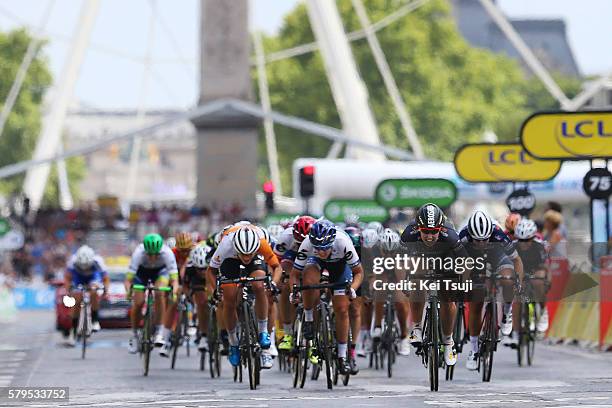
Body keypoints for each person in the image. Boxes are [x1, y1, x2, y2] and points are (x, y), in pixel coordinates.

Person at [290, 220, 364, 375]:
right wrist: (294, 291)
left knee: (342, 309)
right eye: (318, 247)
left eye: (324, 248)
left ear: (332, 241)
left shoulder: (343, 242)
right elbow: (295, 275)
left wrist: (352, 289)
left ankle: (343, 356)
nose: (322, 251)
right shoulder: (307, 245)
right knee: (309, 282)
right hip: (314, 263)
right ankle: (309, 319)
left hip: (340, 266)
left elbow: (358, 272)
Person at [206, 226, 282, 369]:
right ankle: (233, 343)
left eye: (249, 254)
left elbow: (277, 267)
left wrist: (273, 284)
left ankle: (263, 332)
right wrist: (216, 290)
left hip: (256, 258)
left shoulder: (261, 242)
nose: (246, 258)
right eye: (243, 255)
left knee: (259, 286)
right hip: (230, 261)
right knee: (229, 299)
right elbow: (211, 271)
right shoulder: (226, 245)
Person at [400, 203, 465, 367]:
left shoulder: (450, 235)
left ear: (440, 229)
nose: (429, 236)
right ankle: (416, 327)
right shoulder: (409, 234)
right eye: (425, 232)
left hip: (445, 259)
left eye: (433, 232)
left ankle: (448, 341)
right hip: (420, 258)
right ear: (418, 228)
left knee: (448, 297)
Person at [125, 234, 179, 354]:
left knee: (160, 293)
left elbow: (175, 280)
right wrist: (129, 292)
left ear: (160, 250)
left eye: (156, 255)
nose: (153, 258)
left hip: (160, 272)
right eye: (150, 254)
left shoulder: (167, 253)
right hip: (141, 273)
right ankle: (134, 334)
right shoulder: (138, 253)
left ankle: (159, 331)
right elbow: (128, 280)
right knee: (138, 302)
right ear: (145, 250)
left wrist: (174, 293)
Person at [273, 216, 316, 354]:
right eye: (298, 241)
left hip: (313, 257)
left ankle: (317, 334)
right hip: (291, 256)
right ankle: (287, 333)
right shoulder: (286, 237)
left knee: (316, 287)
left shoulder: (318, 236)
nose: (301, 244)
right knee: (286, 288)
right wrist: (276, 280)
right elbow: (275, 261)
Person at [371, 228, 411, 356]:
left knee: (400, 300)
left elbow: (403, 276)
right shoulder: (375, 251)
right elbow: (372, 274)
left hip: (397, 274)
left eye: (391, 252)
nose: (388, 255)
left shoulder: (402, 252)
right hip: (381, 273)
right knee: (379, 291)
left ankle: (404, 336)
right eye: (385, 252)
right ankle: (377, 325)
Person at [159, 231, 195, 357]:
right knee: (173, 302)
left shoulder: (194, 252)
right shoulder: (172, 254)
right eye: (182, 251)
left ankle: (192, 319)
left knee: (195, 294)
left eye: (187, 250)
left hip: (190, 277)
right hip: (174, 278)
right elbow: (165, 272)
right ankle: (166, 337)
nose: (185, 253)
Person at [64, 245, 109, 344]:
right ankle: (74, 330)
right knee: (77, 300)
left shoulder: (98, 261)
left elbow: (105, 278)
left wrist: (105, 291)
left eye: (86, 266)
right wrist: (68, 291)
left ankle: (94, 320)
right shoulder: (72, 261)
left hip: (93, 277)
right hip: (78, 277)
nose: (84, 269)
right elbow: (67, 278)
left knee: (94, 291)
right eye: (82, 266)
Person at [514, 219, 551, 335]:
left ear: (533, 237)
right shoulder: (513, 246)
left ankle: (543, 310)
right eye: (521, 240)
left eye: (527, 240)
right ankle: (516, 330)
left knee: (538, 281)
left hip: (537, 270)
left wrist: (547, 281)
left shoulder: (539, 246)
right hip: (521, 272)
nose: (524, 243)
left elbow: (546, 267)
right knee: (517, 297)